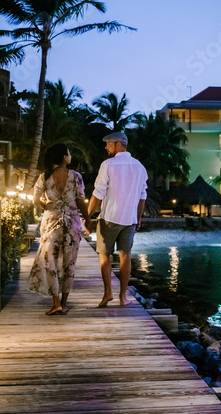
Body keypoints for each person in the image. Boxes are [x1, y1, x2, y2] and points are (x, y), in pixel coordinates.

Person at [27, 143, 92, 315]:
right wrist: (88, 220)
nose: (70, 156)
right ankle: (64, 302)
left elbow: (35, 200)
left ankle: (56, 302)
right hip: (71, 223)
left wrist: (47, 207)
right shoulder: (76, 176)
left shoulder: (44, 177)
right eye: (69, 153)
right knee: (69, 262)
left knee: (50, 261)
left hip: (51, 222)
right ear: (65, 157)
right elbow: (80, 201)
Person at [87, 132, 148, 307]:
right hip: (129, 219)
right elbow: (143, 195)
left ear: (118, 144)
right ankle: (123, 297)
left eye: (108, 144)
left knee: (104, 255)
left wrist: (87, 216)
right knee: (125, 255)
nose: (106, 147)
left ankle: (108, 293)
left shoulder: (108, 165)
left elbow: (98, 193)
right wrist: (138, 217)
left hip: (109, 218)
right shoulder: (139, 167)